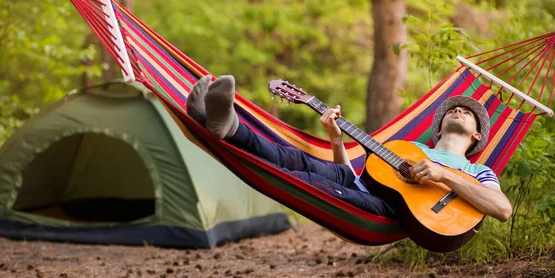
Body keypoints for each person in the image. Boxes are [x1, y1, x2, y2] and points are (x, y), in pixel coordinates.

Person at [186, 75, 513, 222]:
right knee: (293, 157)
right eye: (452, 110)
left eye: (467, 113)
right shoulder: (408, 148)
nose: (459, 111)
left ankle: (222, 126)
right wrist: (336, 140)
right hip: (358, 182)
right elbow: (364, 174)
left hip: (388, 210)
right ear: (438, 127)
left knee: (313, 183)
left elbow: (502, 209)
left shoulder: (477, 172)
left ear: (477, 137)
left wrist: (444, 174)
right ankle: (227, 125)